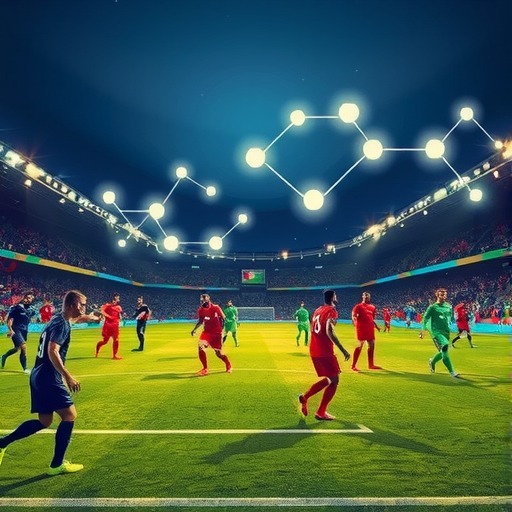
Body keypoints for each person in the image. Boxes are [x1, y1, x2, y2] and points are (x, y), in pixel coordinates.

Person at [0, 290, 99, 475]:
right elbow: (53, 351)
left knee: (44, 421)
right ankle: (56, 465)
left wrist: (90, 318)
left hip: (37, 375)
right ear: (73, 305)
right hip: (48, 376)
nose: (85, 307)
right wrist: (67, 376)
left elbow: (75, 319)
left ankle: (2, 443)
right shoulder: (62, 324)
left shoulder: (57, 319)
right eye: (83, 305)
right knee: (69, 415)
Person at [298, 290, 350, 421]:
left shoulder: (318, 310)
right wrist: (343, 350)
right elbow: (329, 331)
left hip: (314, 350)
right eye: (336, 295)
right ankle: (319, 410)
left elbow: (313, 327)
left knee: (331, 378)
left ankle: (307, 399)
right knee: (335, 379)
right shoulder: (331, 310)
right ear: (332, 298)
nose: (337, 297)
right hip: (325, 351)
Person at [420, 288, 460, 378]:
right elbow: (425, 319)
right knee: (445, 348)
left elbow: (451, 319)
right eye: (442, 295)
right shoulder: (433, 307)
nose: (444, 296)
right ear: (437, 295)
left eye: (445, 295)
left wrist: (457, 324)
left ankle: (432, 361)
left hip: (446, 332)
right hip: (437, 332)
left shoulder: (449, 306)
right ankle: (452, 372)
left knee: (443, 352)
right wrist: (423, 330)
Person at [191, 293, 232, 376]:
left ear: (208, 300)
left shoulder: (216, 308)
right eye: (202, 301)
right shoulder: (201, 310)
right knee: (201, 347)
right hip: (206, 332)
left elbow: (223, 318)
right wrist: (194, 329)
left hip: (217, 333)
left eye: (205, 301)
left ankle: (228, 364)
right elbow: (200, 321)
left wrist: (222, 329)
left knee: (219, 354)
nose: (203, 303)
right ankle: (205, 368)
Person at [1, 291, 37, 374]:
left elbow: (29, 317)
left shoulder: (31, 310)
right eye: (27, 298)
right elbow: (10, 319)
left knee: (17, 349)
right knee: (23, 347)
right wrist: (10, 330)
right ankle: (25, 369)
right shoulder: (17, 308)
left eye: (30, 298)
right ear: (24, 298)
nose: (28, 300)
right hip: (15, 329)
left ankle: (4, 356)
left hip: (24, 331)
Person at [351, 291, 382, 372]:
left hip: (370, 329)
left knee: (372, 345)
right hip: (361, 328)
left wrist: (376, 326)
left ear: (370, 297)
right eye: (365, 295)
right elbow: (353, 315)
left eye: (368, 296)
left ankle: (371, 365)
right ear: (362, 296)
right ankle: (353, 365)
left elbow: (371, 318)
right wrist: (355, 321)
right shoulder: (358, 306)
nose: (366, 297)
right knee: (359, 345)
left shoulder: (372, 307)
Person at [95, 293, 123, 360]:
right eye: (116, 298)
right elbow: (102, 311)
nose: (117, 299)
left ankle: (114, 355)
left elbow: (119, 315)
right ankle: (97, 351)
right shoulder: (107, 306)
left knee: (116, 340)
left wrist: (120, 317)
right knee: (105, 341)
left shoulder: (119, 307)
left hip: (115, 326)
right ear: (113, 298)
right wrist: (109, 316)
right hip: (108, 326)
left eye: (118, 298)